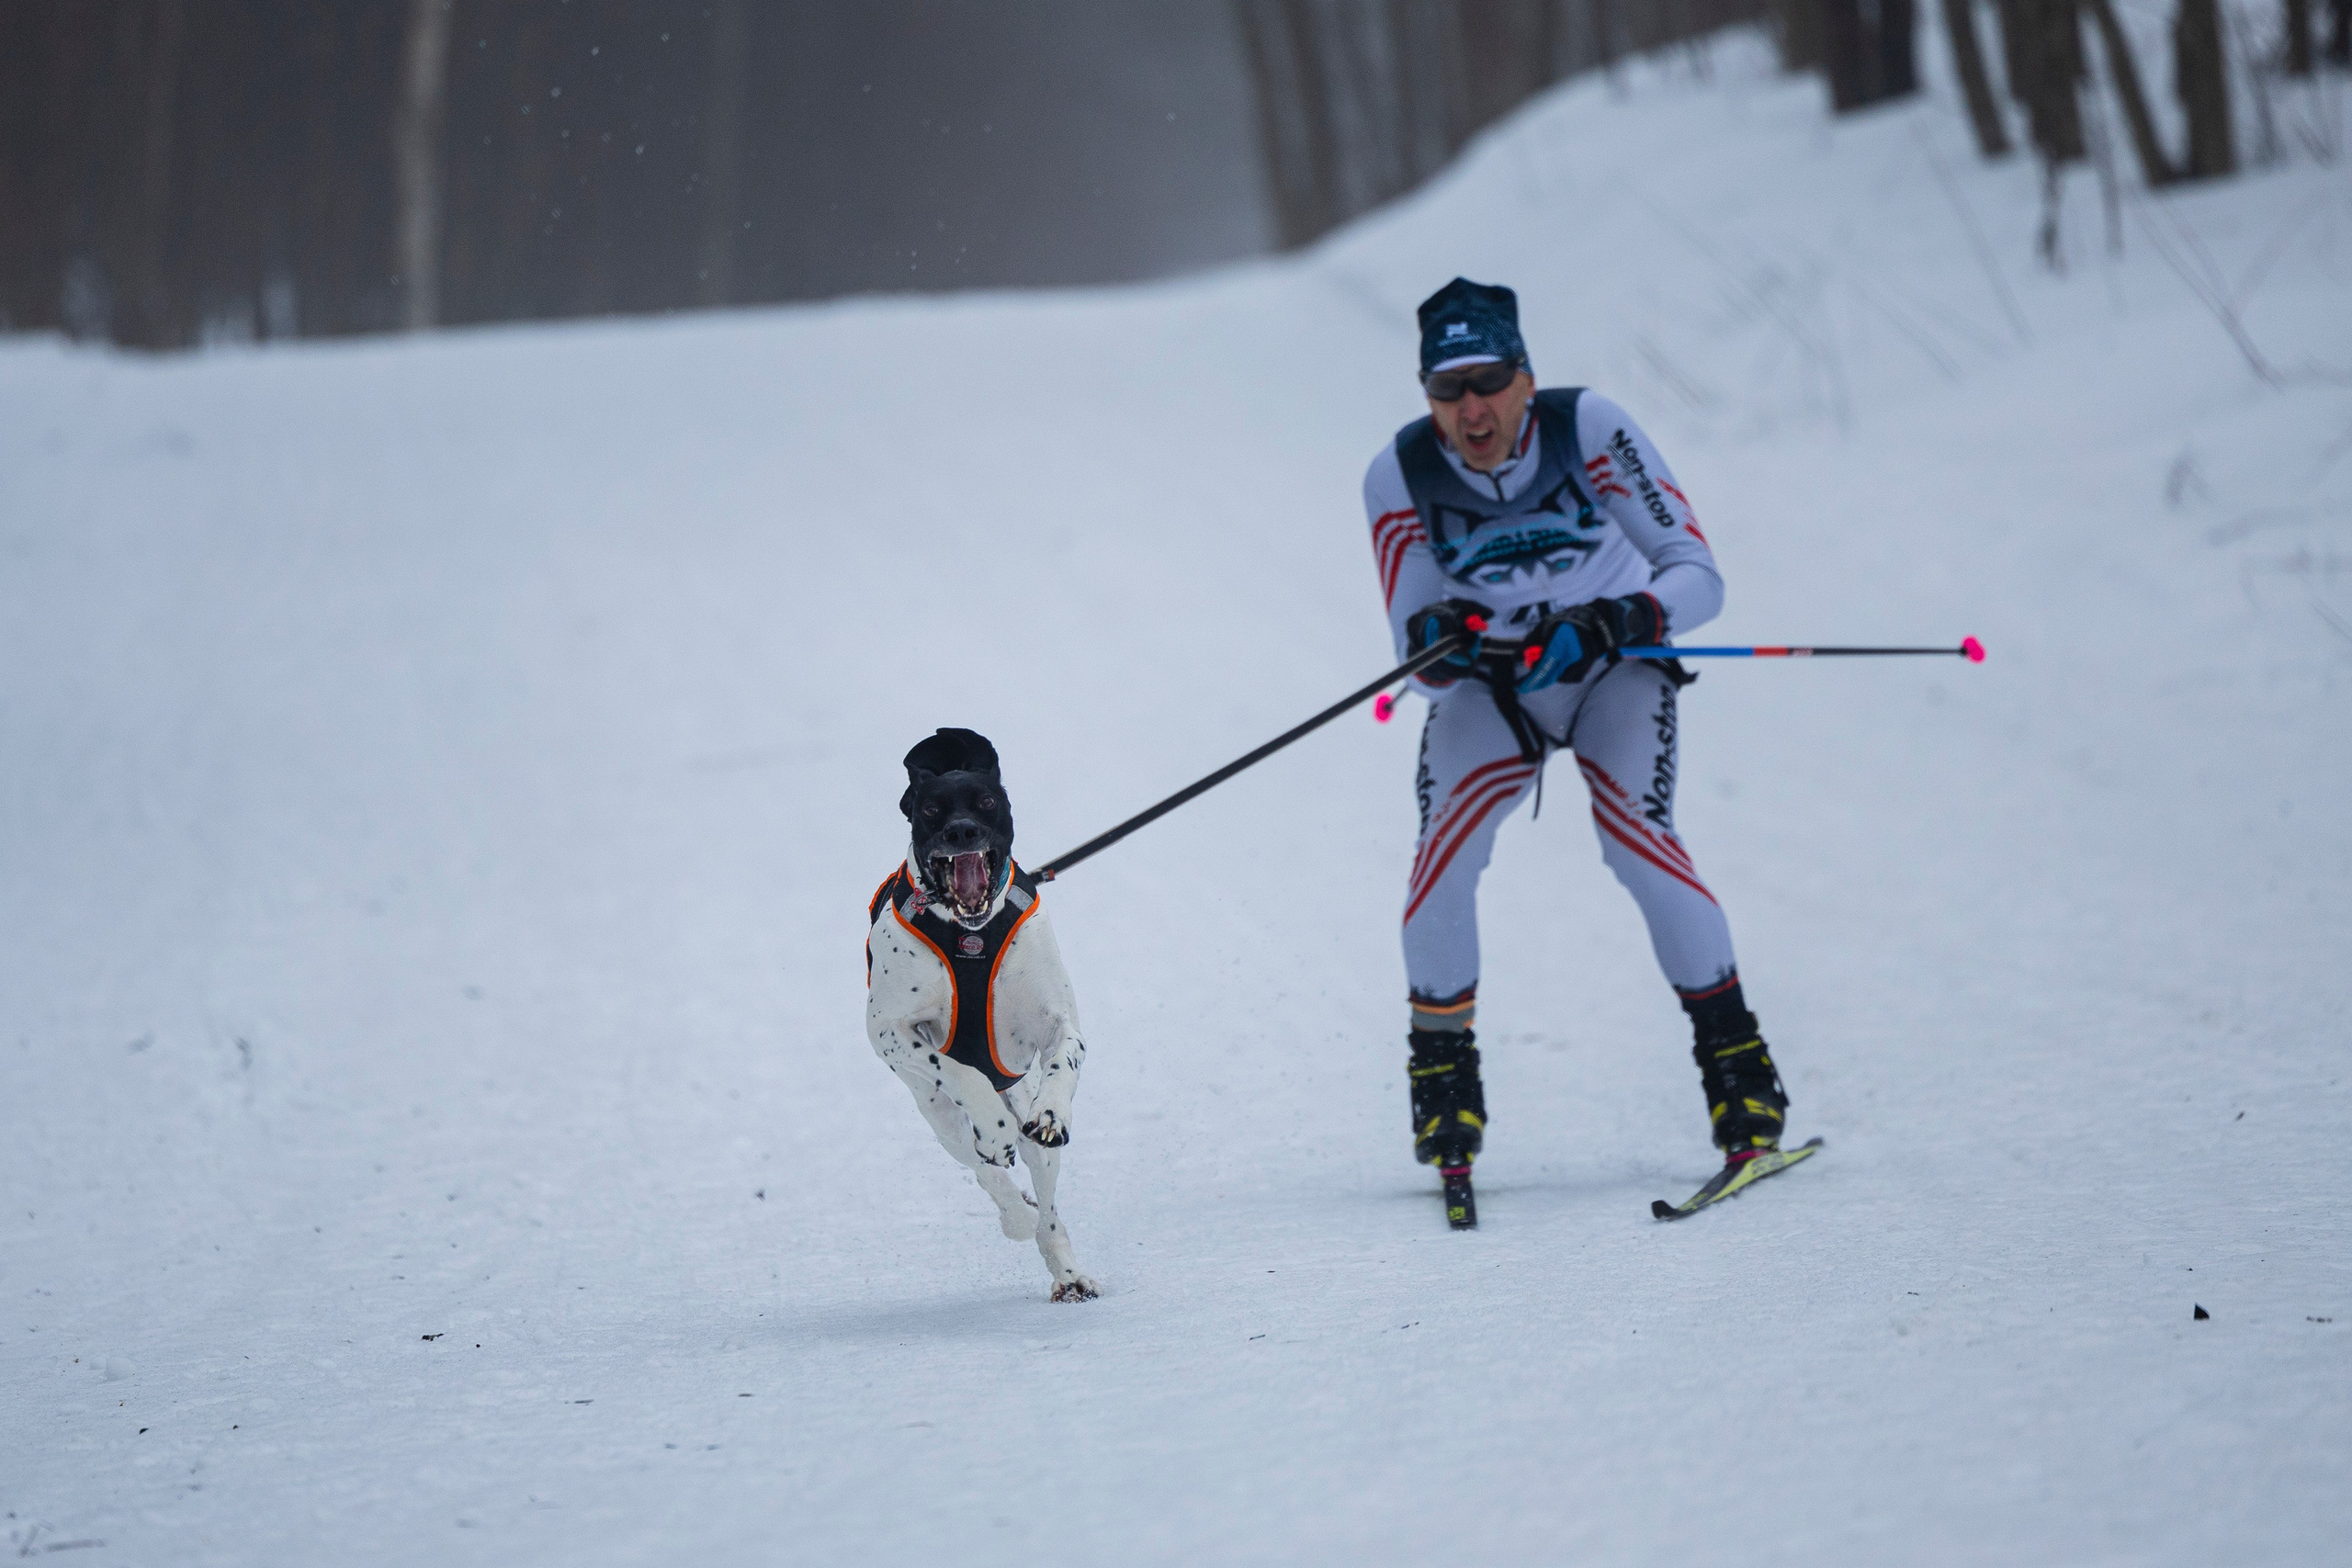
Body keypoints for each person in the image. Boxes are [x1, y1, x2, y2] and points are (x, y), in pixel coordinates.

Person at [1363, 276, 1790, 1189]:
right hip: (1496, 688)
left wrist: (1615, 618)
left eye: (1488, 381)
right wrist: (1435, 642)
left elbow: (1699, 578)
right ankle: (1443, 1088)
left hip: (1611, 669)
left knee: (1637, 842)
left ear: (1524, 377)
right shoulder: (1397, 474)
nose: (1471, 408)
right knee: (1441, 855)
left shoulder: (1589, 427)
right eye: (1447, 390)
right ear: (1427, 396)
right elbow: (1416, 654)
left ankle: (1740, 1081)